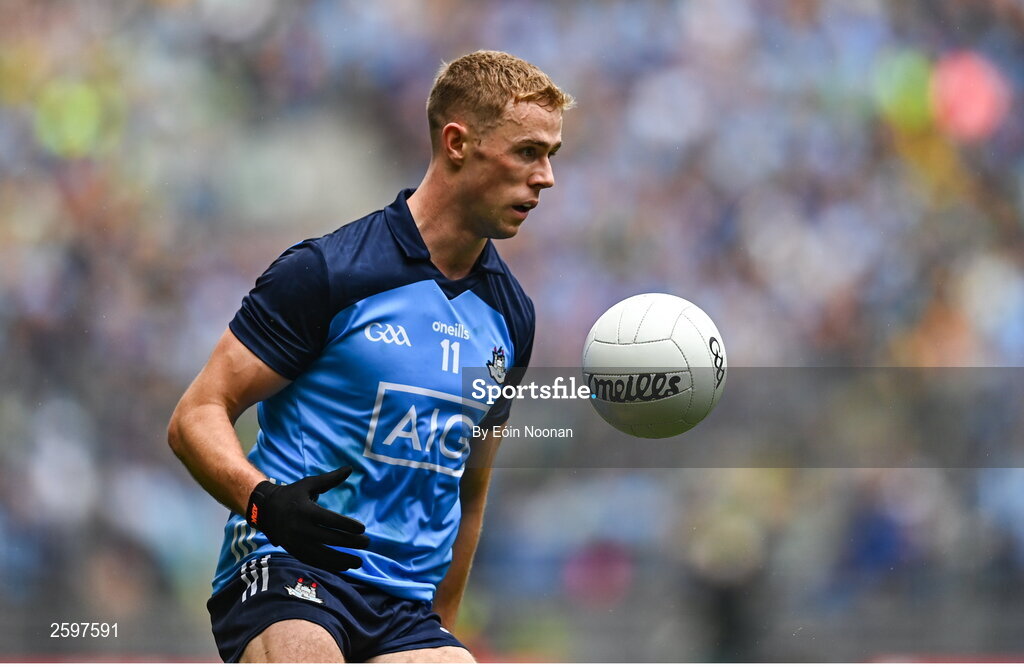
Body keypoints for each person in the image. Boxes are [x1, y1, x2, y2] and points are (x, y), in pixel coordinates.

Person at [167, 50, 573, 663]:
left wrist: (442, 630)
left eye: (551, 155)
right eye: (527, 152)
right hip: (290, 573)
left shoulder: (513, 315)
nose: (545, 177)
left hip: (404, 607)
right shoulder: (328, 272)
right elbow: (196, 414)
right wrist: (264, 502)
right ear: (458, 143)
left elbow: (471, 488)